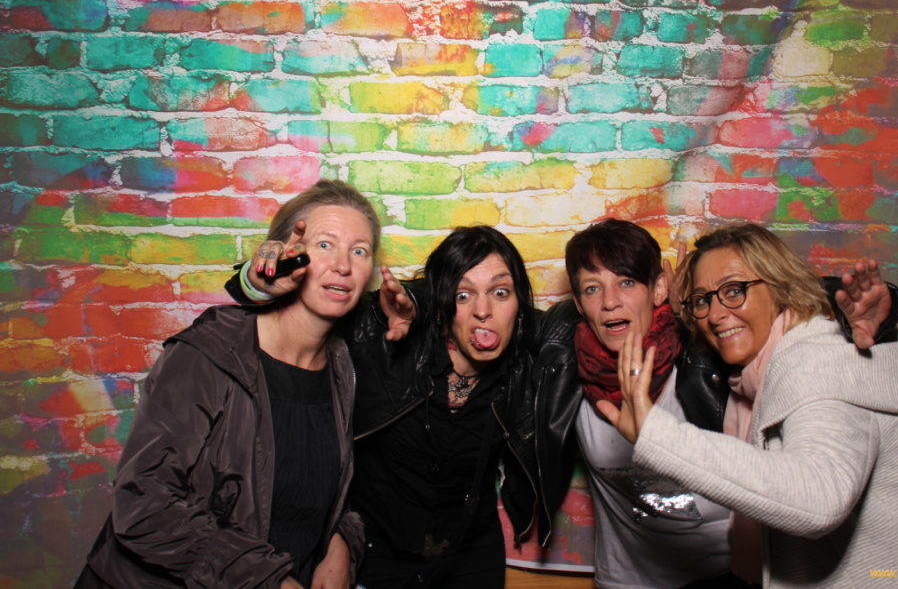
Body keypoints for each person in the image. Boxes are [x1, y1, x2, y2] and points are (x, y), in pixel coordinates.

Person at [602, 222, 898, 586]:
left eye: (734, 291)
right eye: (703, 300)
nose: (715, 313)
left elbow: (818, 499)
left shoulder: (818, 360)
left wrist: (659, 436)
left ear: (781, 288)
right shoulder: (757, 374)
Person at [533, 219, 898, 588]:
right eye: (593, 288)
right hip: (627, 580)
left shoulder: (708, 350)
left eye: (627, 282)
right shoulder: (563, 362)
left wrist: (869, 312)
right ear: (579, 303)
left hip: (731, 573)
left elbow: (780, 295)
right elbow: (510, 320)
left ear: (658, 288)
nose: (610, 302)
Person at [76, 179, 380, 588]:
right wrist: (265, 579)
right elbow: (144, 505)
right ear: (286, 252)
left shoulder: (342, 367)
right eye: (325, 244)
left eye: (359, 251)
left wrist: (343, 540)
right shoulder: (210, 353)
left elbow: (315, 488)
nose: (343, 265)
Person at [231, 225, 573, 588]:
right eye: (462, 295)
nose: (483, 311)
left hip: (469, 558)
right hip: (373, 556)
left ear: (519, 303)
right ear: (440, 302)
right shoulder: (385, 335)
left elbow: (577, 319)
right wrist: (256, 279)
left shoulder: (529, 361)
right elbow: (270, 314)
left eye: (501, 292)